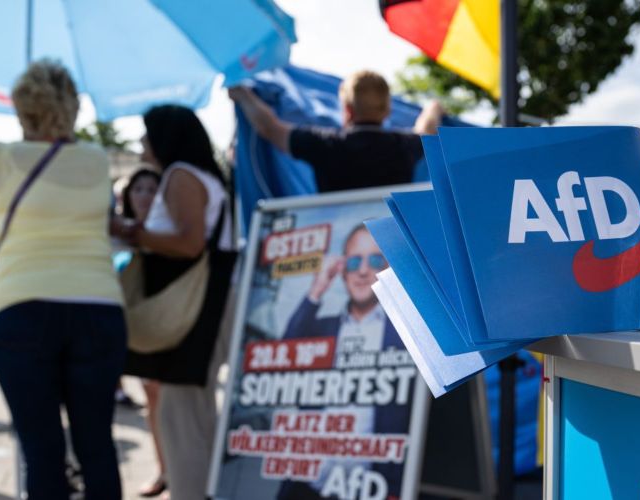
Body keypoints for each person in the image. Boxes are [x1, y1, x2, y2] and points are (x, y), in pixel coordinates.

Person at [0, 59, 126, 499]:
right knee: (97, 445)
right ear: (73, 106)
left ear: (22, 108)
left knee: (41, 452)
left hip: (19, 303)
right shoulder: (97, 160)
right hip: (98, 305)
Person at [118, 104, 237, 500]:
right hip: (208, 304)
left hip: (198, 309)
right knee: (191, 414)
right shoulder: (200, 175)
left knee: (182, 417)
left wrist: (132, 232)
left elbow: (189, 243)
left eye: (146, 133)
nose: (141, 142)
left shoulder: (181, 175)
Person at [280, 224, 409, 498]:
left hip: (377, 487)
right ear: (341, 270)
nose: (363, 270)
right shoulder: (320, 328)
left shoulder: (407, 333)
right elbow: (280, 359)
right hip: (308, 485)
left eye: (375, 260)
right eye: (353, 261)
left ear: (387, 268)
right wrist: (317, 288)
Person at [229, 70, 443, 192]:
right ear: (387, 110)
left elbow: (269, 128)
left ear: (347, 110)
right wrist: (434, 107)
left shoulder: (325, 144)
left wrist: (242, 94)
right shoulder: (404, 146)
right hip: (392, 249)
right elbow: (428, 130)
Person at [114, 168, 170, 497]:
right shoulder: (118, 238)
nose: (145, 195)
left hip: (164, 326)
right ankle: (164, 468)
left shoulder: (168, 232)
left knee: (168, 400)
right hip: (136, 327)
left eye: (153, 188)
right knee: (152, 397)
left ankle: (175, 467)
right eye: (139, 189)